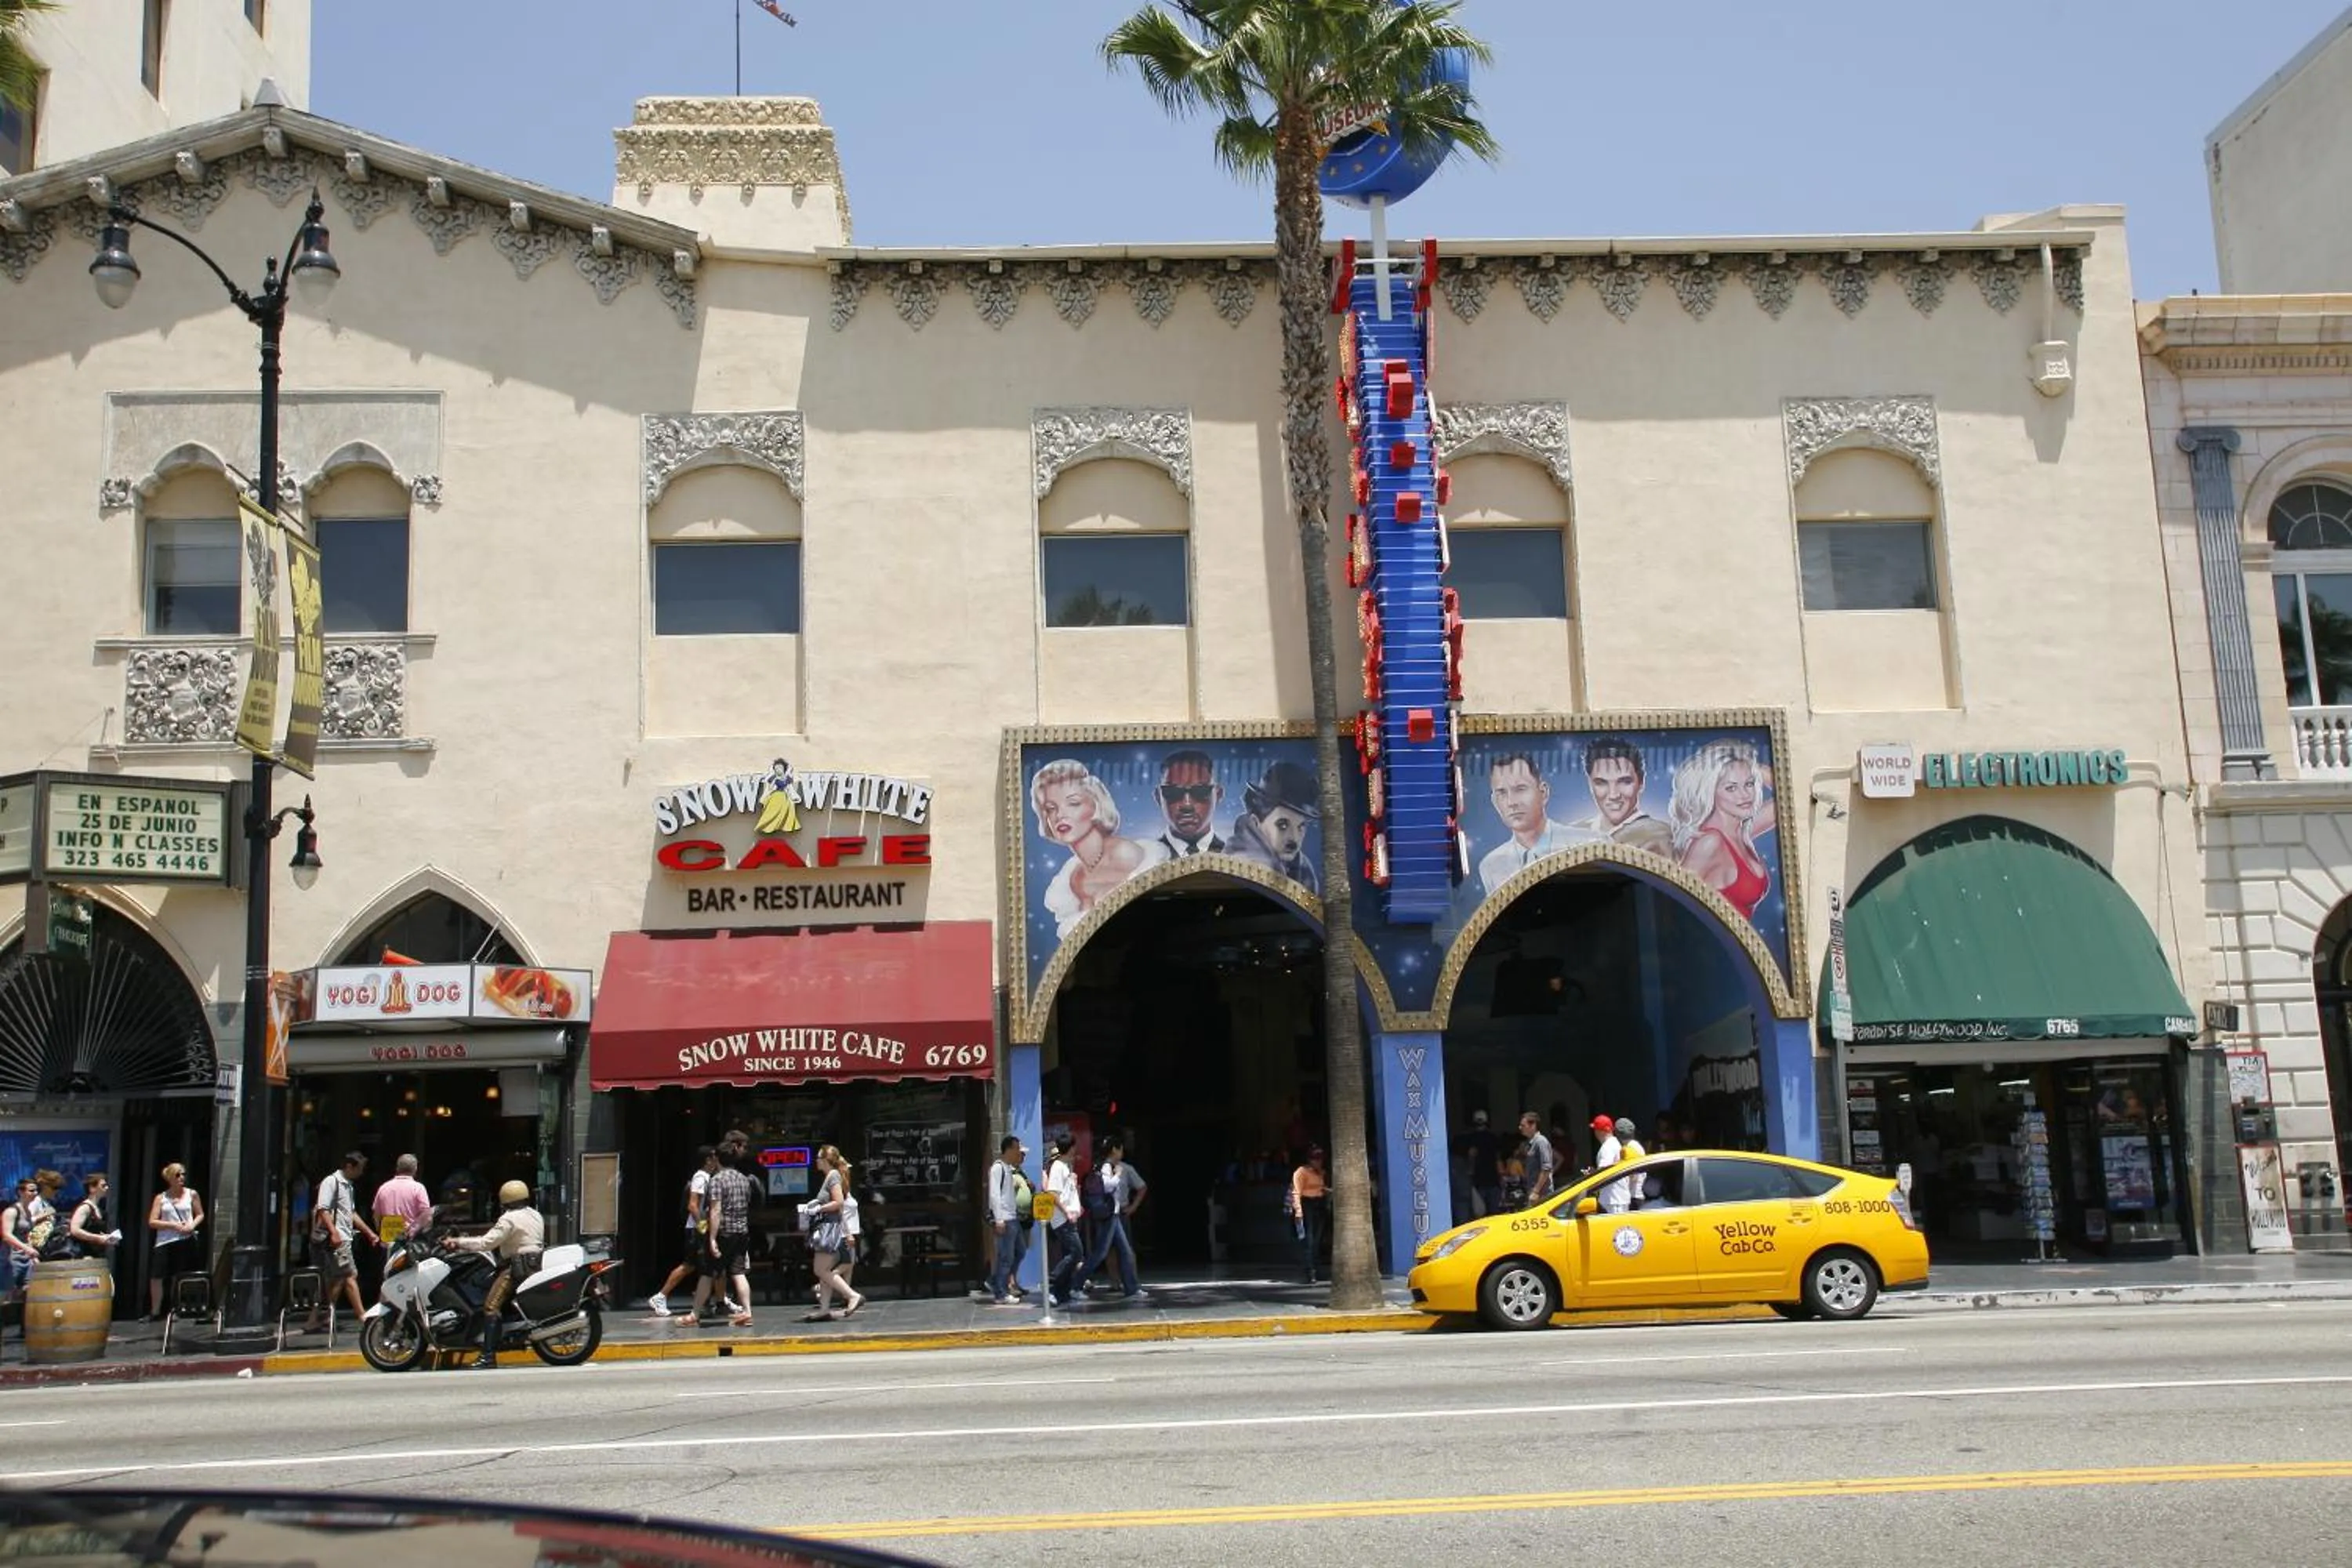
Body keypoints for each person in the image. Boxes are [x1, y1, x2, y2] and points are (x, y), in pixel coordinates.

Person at [1033, 759, 1167, 938]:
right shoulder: (1072, 878)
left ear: (1096, 805)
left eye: (1073, 803)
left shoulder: (1125, 856)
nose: (1060, 815)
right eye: (1051, 808)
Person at [1670, 740, 1776, 923]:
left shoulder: (1741, 832)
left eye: (1749, 784)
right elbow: (1671, 902)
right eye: (1731, 788)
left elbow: (1787, 800)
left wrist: (1750, 766)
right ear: (1710, 791)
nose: (1745, 795)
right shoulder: (1710, 843)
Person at [449, 1179, 545, 1370]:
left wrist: (458, 1242)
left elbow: (486, 1243)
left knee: (491, 1307)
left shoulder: (508, 1219)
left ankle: (488, 1357)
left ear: (505, 1200)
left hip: (516, 1268)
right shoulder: (535, 1214)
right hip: (534, 1264)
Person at [1479, 753, 1604, 895]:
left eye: (1520, 789)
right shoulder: (1491, 866)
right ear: (1495, 802)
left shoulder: (1592, 845)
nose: (1511, 802)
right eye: (1502, 793)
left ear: (1543, 792)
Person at [1567, 737, 1675, 858]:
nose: (1614, 795)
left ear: (1641, 783)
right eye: (1601, 783)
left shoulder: (1660, 836)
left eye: (1625, 782)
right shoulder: (1572, 833)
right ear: (1590, 784)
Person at [304, 1152, 371, 1334]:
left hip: (344, 1238)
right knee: (349, 1275)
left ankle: (318, 1318)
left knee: (336, 1279)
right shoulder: (331, 1182)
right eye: (359, 1169)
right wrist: (334, 1233)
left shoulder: (348, 1186)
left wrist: (369, 1233)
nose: (361, 1173)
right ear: (349, 1166)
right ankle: (363, 1317)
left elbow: (351, 1213)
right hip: (337, 1239)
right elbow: (323, 1209)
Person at [1229, 761, 1322, 891]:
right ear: (1256, 823)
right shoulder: (1241, 868)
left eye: (1301, 827)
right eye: (1282, 826)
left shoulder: (1304, 871)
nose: (1294, 838)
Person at [649, 1145, 719, 1319]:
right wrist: (702, 1226)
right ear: (708, 1160)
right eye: (714, 1157)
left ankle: (707, 1302)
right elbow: (693, 1205)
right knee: (690, 1265)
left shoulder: (706, 1177)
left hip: (698, 1228)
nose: (717, 1161)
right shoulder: (700, 1177)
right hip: (696, 1229)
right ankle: (661, 1296)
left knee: (701, 1267)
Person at [1074, 1135, 1147, 1300]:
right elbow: (1107, 1186)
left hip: (1113, 1214)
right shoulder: (1107, 1166)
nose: (1122, 1152)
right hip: (1109, 1216)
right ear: (1114, 1150)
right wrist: (1118, 1175)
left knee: (1125, 1251)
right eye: (1120, 1149)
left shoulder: (1103, 1165)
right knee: (1100, 1254)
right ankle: (1076, 1285)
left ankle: (1132, 1289)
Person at [800, 1145, 864, 1322]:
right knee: (825, 1271)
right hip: (831, 1227)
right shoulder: (830, 1176)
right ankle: (824, 1309)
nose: (816, 1161)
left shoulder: (833, 1175)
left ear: (826, 1160)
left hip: (829, 1229)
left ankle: (852, 1296)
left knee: (820, 1269)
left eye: (819, 1158)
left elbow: (839, 1203)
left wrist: (818, 1209)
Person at [702, 1147, 757, 1329]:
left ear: (718, 1159)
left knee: (709, 1271)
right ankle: (747, 1311)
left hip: (724, 1231)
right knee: (739, 1272)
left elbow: (716, 1210)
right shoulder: (744, 1179)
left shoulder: (717, 1180)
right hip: (741, 1231)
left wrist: (712, 1238)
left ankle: (695, 1312)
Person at [143, 1163, 204, 1319]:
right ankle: (155, 1311)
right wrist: (173, 1225)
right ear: (170, 1178)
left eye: (183, 1174)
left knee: (178, 1276)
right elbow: (152, 1221)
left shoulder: (192, 1194)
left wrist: (192, 1225)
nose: (181, 1178)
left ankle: (175, 1308)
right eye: (178, 1175)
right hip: (165, 1240)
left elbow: (200, 1214)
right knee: (157, 1276)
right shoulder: (161, 1198)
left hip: (185, 1239)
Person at [985, 1134, 1032, 1305]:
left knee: (1020, 1251)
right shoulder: (998, 1168)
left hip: (1013, 1218)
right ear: (1009, 1149)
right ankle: (1001, 1292)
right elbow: (994, 1195)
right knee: (1006, 1257)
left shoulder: (1008, 1169)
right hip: (1005, 1218)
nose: (1019, 1153)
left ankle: (995, 1280)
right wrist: (999, 1219)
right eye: (1017, 1149)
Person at [1153, 750, 1226, 858]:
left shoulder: (1236, 857)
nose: (1187, 804)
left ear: (1218, 795)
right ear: (1158, 797)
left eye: (1200, 791)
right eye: (1173, 792)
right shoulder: (1145, 860)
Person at [4, 1176, 54, 1331]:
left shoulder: (28, 1211)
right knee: (7, 1297)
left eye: (36, 1190)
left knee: (29, 1292)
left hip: (26, 1258)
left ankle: (25, 1330)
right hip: (10, 1259)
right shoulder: (12, 1211)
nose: (35, 1193)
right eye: (31, 1190)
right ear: (21, 1192)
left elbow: (27, 1235)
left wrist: (32, 1254)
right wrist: (27, 1249)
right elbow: (6, 1235)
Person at [1043, 1133, 1083, 1307]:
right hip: (1063, 1220)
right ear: (1071, 1148)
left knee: (1070, 1254)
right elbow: (1053, 1194)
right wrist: (1067, 1212)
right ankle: (1053, 1281)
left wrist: (1077, 1207)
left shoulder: (1065, 1167)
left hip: (1070, 1218)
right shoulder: (1058, 1167)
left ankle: (1061, 1293)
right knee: (1077, 1253)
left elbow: (1068, 1194)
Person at [1288, 1145, 1330, 1285]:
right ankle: (1309, 1271)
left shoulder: (1321, 1173)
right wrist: (1298, 1211)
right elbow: (1296, 1192)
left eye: (1320, 1159)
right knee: (1309, 1240)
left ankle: (1317, 1269)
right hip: (1307, 1205)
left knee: (1318, 1240)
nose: (1318, 1162)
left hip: (1319, 1205)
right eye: (1315, 1159)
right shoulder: (1301, 1172)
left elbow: (1320, 1188)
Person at [371, 1153, 434, 1247]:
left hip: (388, 1241)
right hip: (409, 1241)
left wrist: (382, 1232)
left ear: (397, 1168)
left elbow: (376, 1216)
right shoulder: (418, 1188)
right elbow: (426, 1217)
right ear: (415, 1169)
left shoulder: (384, 1188)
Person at [63, 1174, 122, 1257]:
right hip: (84, 1255)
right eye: (103, 1186)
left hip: (96, 1255)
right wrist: (98, 1238)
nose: (107, 1188)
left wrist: (106, 1237)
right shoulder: (85, 1207)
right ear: (92, 1188)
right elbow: (75, 1230)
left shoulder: (98, 1208)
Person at [1458, 1109, 1503, 1219]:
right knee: (1494, 1214)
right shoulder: (1493, 1138)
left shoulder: (1469, 1139)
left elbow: (1470, 1159)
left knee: (1479, 1214)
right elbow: (1498, 1159)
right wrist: (1501, 1176)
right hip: (1493, 1180)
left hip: (1478, 1181)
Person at [1592, 1116, 1633, 1214]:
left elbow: (1604, 1171)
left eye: (1596, 1129)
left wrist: (1591, 1177)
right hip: (1616, 1197)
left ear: (1600, 1131)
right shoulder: (1614, 1143)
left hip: (1613, 1199)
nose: (1595, 1132)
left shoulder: (1608, 1147)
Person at [1517, 1113, 1557, 1207]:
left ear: (1533, 1125)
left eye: (1523, 1125)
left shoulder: (1541, 1142)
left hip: (1542, 1195)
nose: (1520, 1128)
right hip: (1533, 1192)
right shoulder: (1530, 1144)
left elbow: (1546, 1169)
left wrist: (1536, 1191)